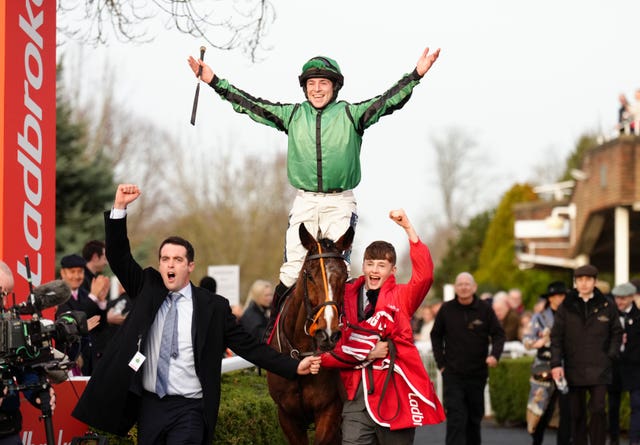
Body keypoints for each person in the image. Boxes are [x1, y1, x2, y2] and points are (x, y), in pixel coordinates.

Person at [187, 47, 441, 330]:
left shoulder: (351, 114)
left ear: (334, 86)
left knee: (336, 269)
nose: (317, 89)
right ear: (304, 88)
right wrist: (214, 81)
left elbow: (386, 102)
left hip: (339, 202)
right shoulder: (292, 115)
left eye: (323, 83)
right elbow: (250, 105)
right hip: (305, 201)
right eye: (311, 84)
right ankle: (273, 334)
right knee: (292, 271)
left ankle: (344, 331)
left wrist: (416, 74)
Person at [72, 184, 321, 445]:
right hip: (150, 407)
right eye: (165, 258)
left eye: (177, 260)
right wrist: (120, 207)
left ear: (190, 266)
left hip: (190, 409)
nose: (170, 264)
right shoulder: (146, 286)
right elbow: (118, 256)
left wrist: (294, 366)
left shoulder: (212, 307)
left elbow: (250, 347)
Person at [320, 209, 444, 444]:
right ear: (363, 267)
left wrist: (408, 227)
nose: (374, 270)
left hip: (394, 396)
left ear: (392, 271)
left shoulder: (402, 297)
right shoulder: (345, 295)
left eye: (381, 265)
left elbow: (425, 276)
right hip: (356, 397)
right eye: (370, 264)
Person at [550, 264, 623, 445]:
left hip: (600, 367)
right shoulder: (565, 307)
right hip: (574, 367)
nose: (584, 284)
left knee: (598, 409)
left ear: (595, 282)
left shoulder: (607, 305)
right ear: (575, 283)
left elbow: (617, 332)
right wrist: (556, 364)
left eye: (588, 280)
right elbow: (556, 337)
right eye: (580, 280)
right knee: (577, 413)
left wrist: (611, 355)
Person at [430, 271, 506, 445]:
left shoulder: (485, 309)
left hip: (477, 374)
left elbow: (499, 334)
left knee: (474, 419)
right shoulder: (446, 309)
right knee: (456, 418)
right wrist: (441, 364)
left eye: (467, 284)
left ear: (474, 287)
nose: (464, 287)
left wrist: (495, 355)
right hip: (452, 374)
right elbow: (436, 336)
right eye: (460, 284)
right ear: (455, 288)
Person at [0, 261, 57, 445]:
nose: (5, 302)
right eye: (1, 294)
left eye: (7, 295)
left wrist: (38, 394)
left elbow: (24, 368)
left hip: (8, 431)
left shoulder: (11, 325)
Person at [522, 281, 571, 445]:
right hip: (545, 364)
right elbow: (527, 339)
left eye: (562, 295)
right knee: (542, 408)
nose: (560, 299)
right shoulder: (540, 317)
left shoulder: (571, 316)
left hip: (567, 366)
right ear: (550, 298)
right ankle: (537, 440)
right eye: (556, 296)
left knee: (566, 408)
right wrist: (541, 341)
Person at [55, 254, 110, 375]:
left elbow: (100, 325)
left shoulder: (86, 294)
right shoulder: (57, 295)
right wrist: (94, 296)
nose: (76, 276)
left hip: (90, 356)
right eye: (72, 272)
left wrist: (101, 302)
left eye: (80, 272)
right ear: (63, 273)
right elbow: (75, 320)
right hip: (69, 358)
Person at [608, 282, 640, 445]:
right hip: (614, 368)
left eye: (623, 298)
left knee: (637, 405)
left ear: (631, 297)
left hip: (635, 369)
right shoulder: (609, 316)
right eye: (617, 298)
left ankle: (634, 440)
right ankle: (614, 439)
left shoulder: (638, 317)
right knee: (613, 407)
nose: (619, 301)